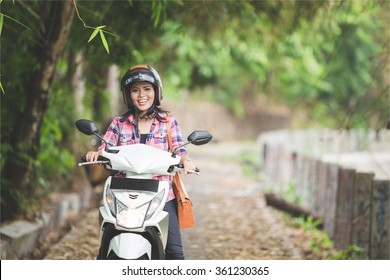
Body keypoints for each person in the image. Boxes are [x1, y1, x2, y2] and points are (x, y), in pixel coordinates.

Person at [85, 64, 196, 260]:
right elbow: (106, 147)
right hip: (123, 194)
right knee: (105, 250)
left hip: (160, 194)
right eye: (135, 90)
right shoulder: (118, 123)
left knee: (175, 254)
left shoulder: (168, 122)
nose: (141, 95)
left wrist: (185, 161)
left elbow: (179, 148)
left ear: (156, 92)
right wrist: (97, 154)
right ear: (127, 95)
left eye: (147, 89)